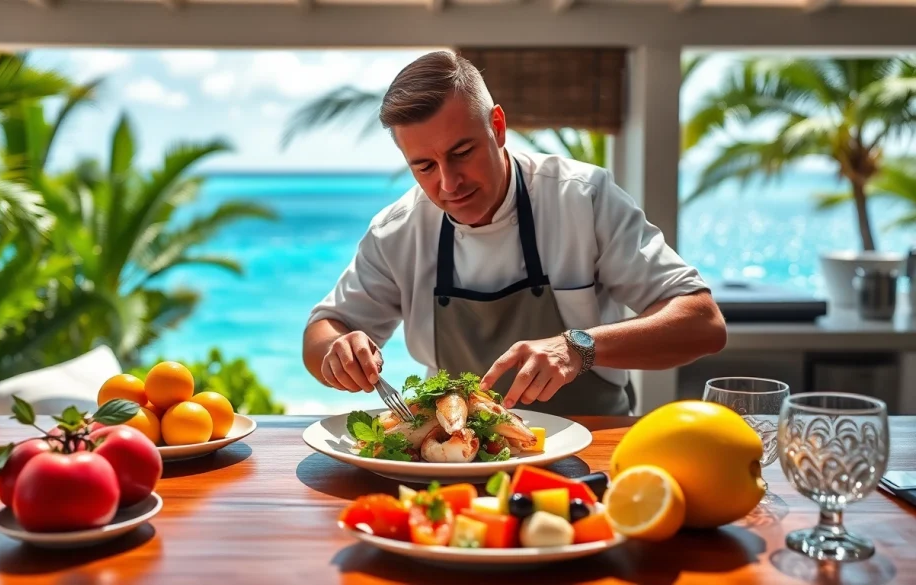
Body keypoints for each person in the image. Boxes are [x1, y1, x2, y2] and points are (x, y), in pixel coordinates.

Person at [301, 50, 727, 415]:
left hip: (591, 440)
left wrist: (577, 347)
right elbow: (322, 331)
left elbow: (703, 323)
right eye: (425, 167)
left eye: (462, 152)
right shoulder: (398, 230)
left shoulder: (582, 197)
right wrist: (339, 351)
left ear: (498, 128)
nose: (449, 184)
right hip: (461, 453)